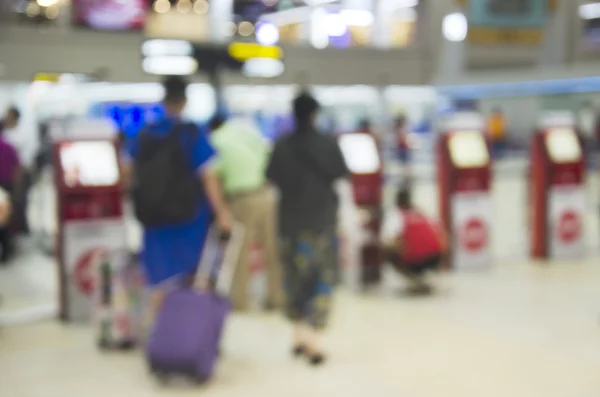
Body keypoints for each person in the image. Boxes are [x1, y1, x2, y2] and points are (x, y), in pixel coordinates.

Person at [121, 76, 232, 318]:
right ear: (184, 101)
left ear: (163, 100)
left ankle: (159, 335)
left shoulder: (144, 134)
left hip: (154, 219)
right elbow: (208, 177)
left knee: (158, 279)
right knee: (192, 277)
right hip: (189, 219)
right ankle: (185, 334)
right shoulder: (191, 133)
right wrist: (222, 213)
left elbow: (127, 172)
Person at [266, 91, 349, 366]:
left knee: (293, 279)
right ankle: (315, 342)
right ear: (314, 114)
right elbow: (340, 175)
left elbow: (271, 179)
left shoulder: (281, 145)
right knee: (321, 280)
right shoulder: (327, 143)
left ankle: (297, 336)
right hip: (321, 223)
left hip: (290, 224)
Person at [209, 114, 284, 312]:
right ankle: (276, 299)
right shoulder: (247, 134)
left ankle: (241, 303)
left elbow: (213, 176)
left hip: (241, 198)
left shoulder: (215, 140)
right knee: (272, 249)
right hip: (267, 194)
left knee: (240, 251)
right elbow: (269, 158)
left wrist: (221, 209)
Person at [380, 187, 446, 295]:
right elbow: (440, 232)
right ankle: (419, 278)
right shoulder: (421, 212)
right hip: (435, 257)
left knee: (387, 248)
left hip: (412, 259)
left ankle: (412, 277)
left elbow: (390, 240)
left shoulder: (396, 215)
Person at [2, 106, 37, 236]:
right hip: (6, 175)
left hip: (21, 172)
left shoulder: (24, 133)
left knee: (20, 203)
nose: (6, 118)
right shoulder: (5, 133)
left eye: (8, 115)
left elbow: (26, 157)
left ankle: (22, 230)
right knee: (6, 204)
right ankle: (9, 232)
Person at [0, 130, 21, 263]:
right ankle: (6, 253)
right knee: (4, 219)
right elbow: (17, 168)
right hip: (7, 186)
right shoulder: (10, 146)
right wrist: (16, 188)